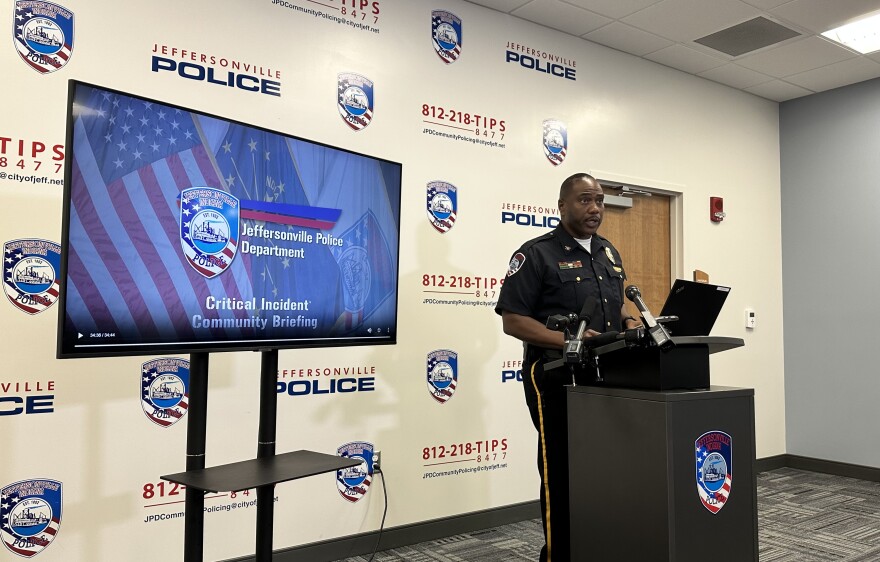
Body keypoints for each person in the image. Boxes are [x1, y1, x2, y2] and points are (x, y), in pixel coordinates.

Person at [495, 173, 640, 562]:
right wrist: (571, 341)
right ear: (562, 206)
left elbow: (618, 303)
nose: (594, 209)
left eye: (599, 201)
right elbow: (513, 320)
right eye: (584, 200)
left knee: (605, 469)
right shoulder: (537, 253)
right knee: (562, 470)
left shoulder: (608, 252)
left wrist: (629, 323)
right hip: (556, 376)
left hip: (607, 375)